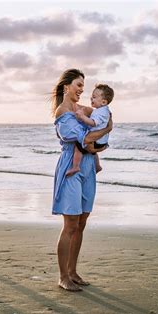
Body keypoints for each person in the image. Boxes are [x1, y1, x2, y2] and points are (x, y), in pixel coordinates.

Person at [51, 69, 113, 291]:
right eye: (78, 85)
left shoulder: (81, 109)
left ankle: (73, 271)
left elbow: (100, 126)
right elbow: (86, 139)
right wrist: (107, 129)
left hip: (88, 166)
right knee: (70, 224)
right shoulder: (62, 112)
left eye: (83, 87)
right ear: (66, 86)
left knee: (82, 222)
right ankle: (63, 276)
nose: (81, 91)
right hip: (71, 167)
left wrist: (104, 128)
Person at [66, 84, 114, 176]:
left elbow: (93, 123)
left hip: (96, 141)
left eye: (94, 97)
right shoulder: (104, 111)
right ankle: (97, 166)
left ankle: (75, 166)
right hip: (101, 141)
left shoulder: (101, 112)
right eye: (91, 97)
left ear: (103, 102)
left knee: (78, 146)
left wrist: (82, 116)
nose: (91, 99)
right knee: (93, 152)